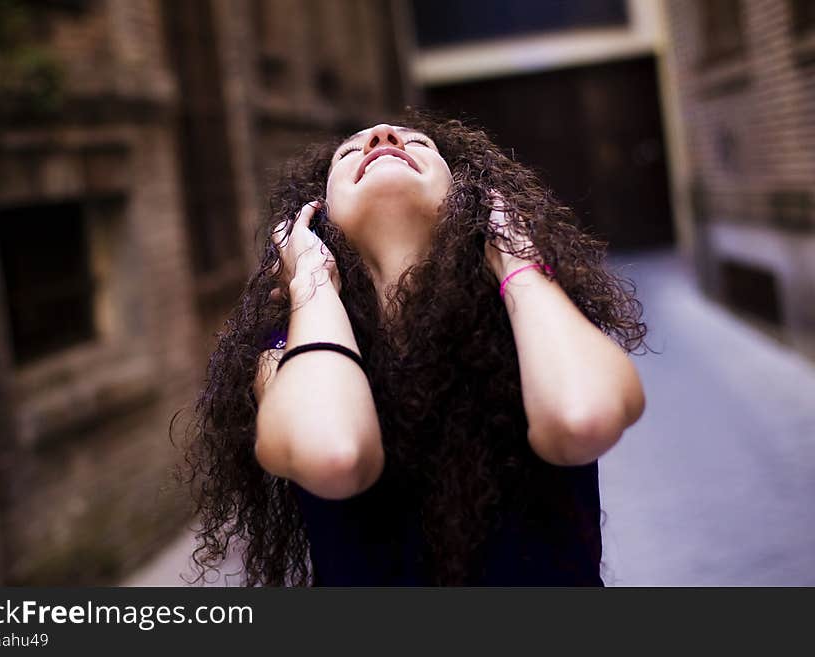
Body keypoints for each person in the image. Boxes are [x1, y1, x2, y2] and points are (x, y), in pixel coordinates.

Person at [178, 111, 649, 586]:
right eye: (348, 153)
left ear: (470, 193)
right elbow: (335, 454)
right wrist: (312, 283)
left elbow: (583, 419)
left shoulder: (538, 316)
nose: (382, 137)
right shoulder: (283, 353)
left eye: (418, 143)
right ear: (315, 217)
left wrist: (515, 255)